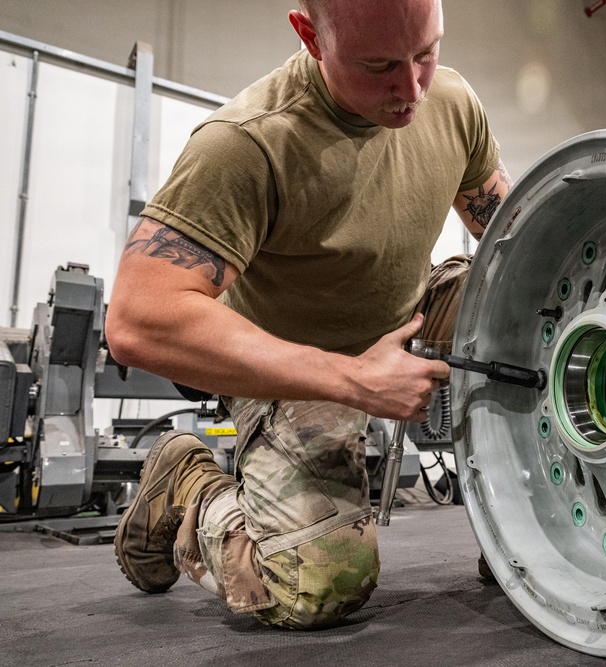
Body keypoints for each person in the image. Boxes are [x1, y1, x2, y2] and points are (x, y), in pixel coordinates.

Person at [106, 0, 511, 629]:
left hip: (407, 319)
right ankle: (185, 480)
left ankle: (526, 523)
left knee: (537, 304)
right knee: (318, 585)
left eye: (426, 53)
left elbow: (521, 236)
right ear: (310, 36)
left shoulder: (452, 102)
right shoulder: (247, 143)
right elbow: (137, 320)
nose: (411, 90)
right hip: (291, 366)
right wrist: (353, 380)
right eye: (378, 66)